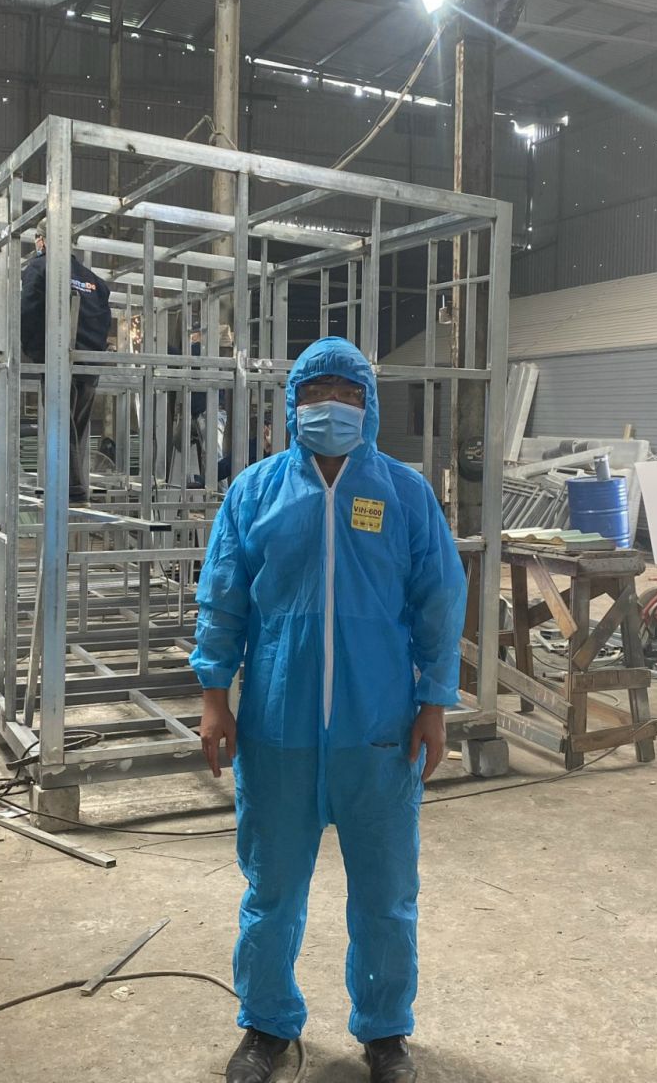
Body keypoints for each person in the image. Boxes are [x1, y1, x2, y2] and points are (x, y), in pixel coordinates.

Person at [191, 336, 466, 1083]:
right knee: (273, 889)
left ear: (369, 406)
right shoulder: (255, 492)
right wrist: (214, 696)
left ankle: (386, 1032)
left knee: (386, 893)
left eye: (349, 394)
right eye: (318, 394)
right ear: (293, 404)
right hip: (276, 725)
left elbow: (440, 598)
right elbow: (223, 596)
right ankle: (265, 1026)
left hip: (379, 728)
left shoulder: (404, 493)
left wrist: (435, 703)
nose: (333, 408)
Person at [20, 220, 112, 504]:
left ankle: (70, 492)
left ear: (43, 240)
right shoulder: (94, 281)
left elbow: (29, 312)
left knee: (60, 426)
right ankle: (76, 486)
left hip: (59, 360)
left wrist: (36, 352)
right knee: (77, 428)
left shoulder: (40, 268)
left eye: (37, 239)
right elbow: (103, 321)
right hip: (89, 365)